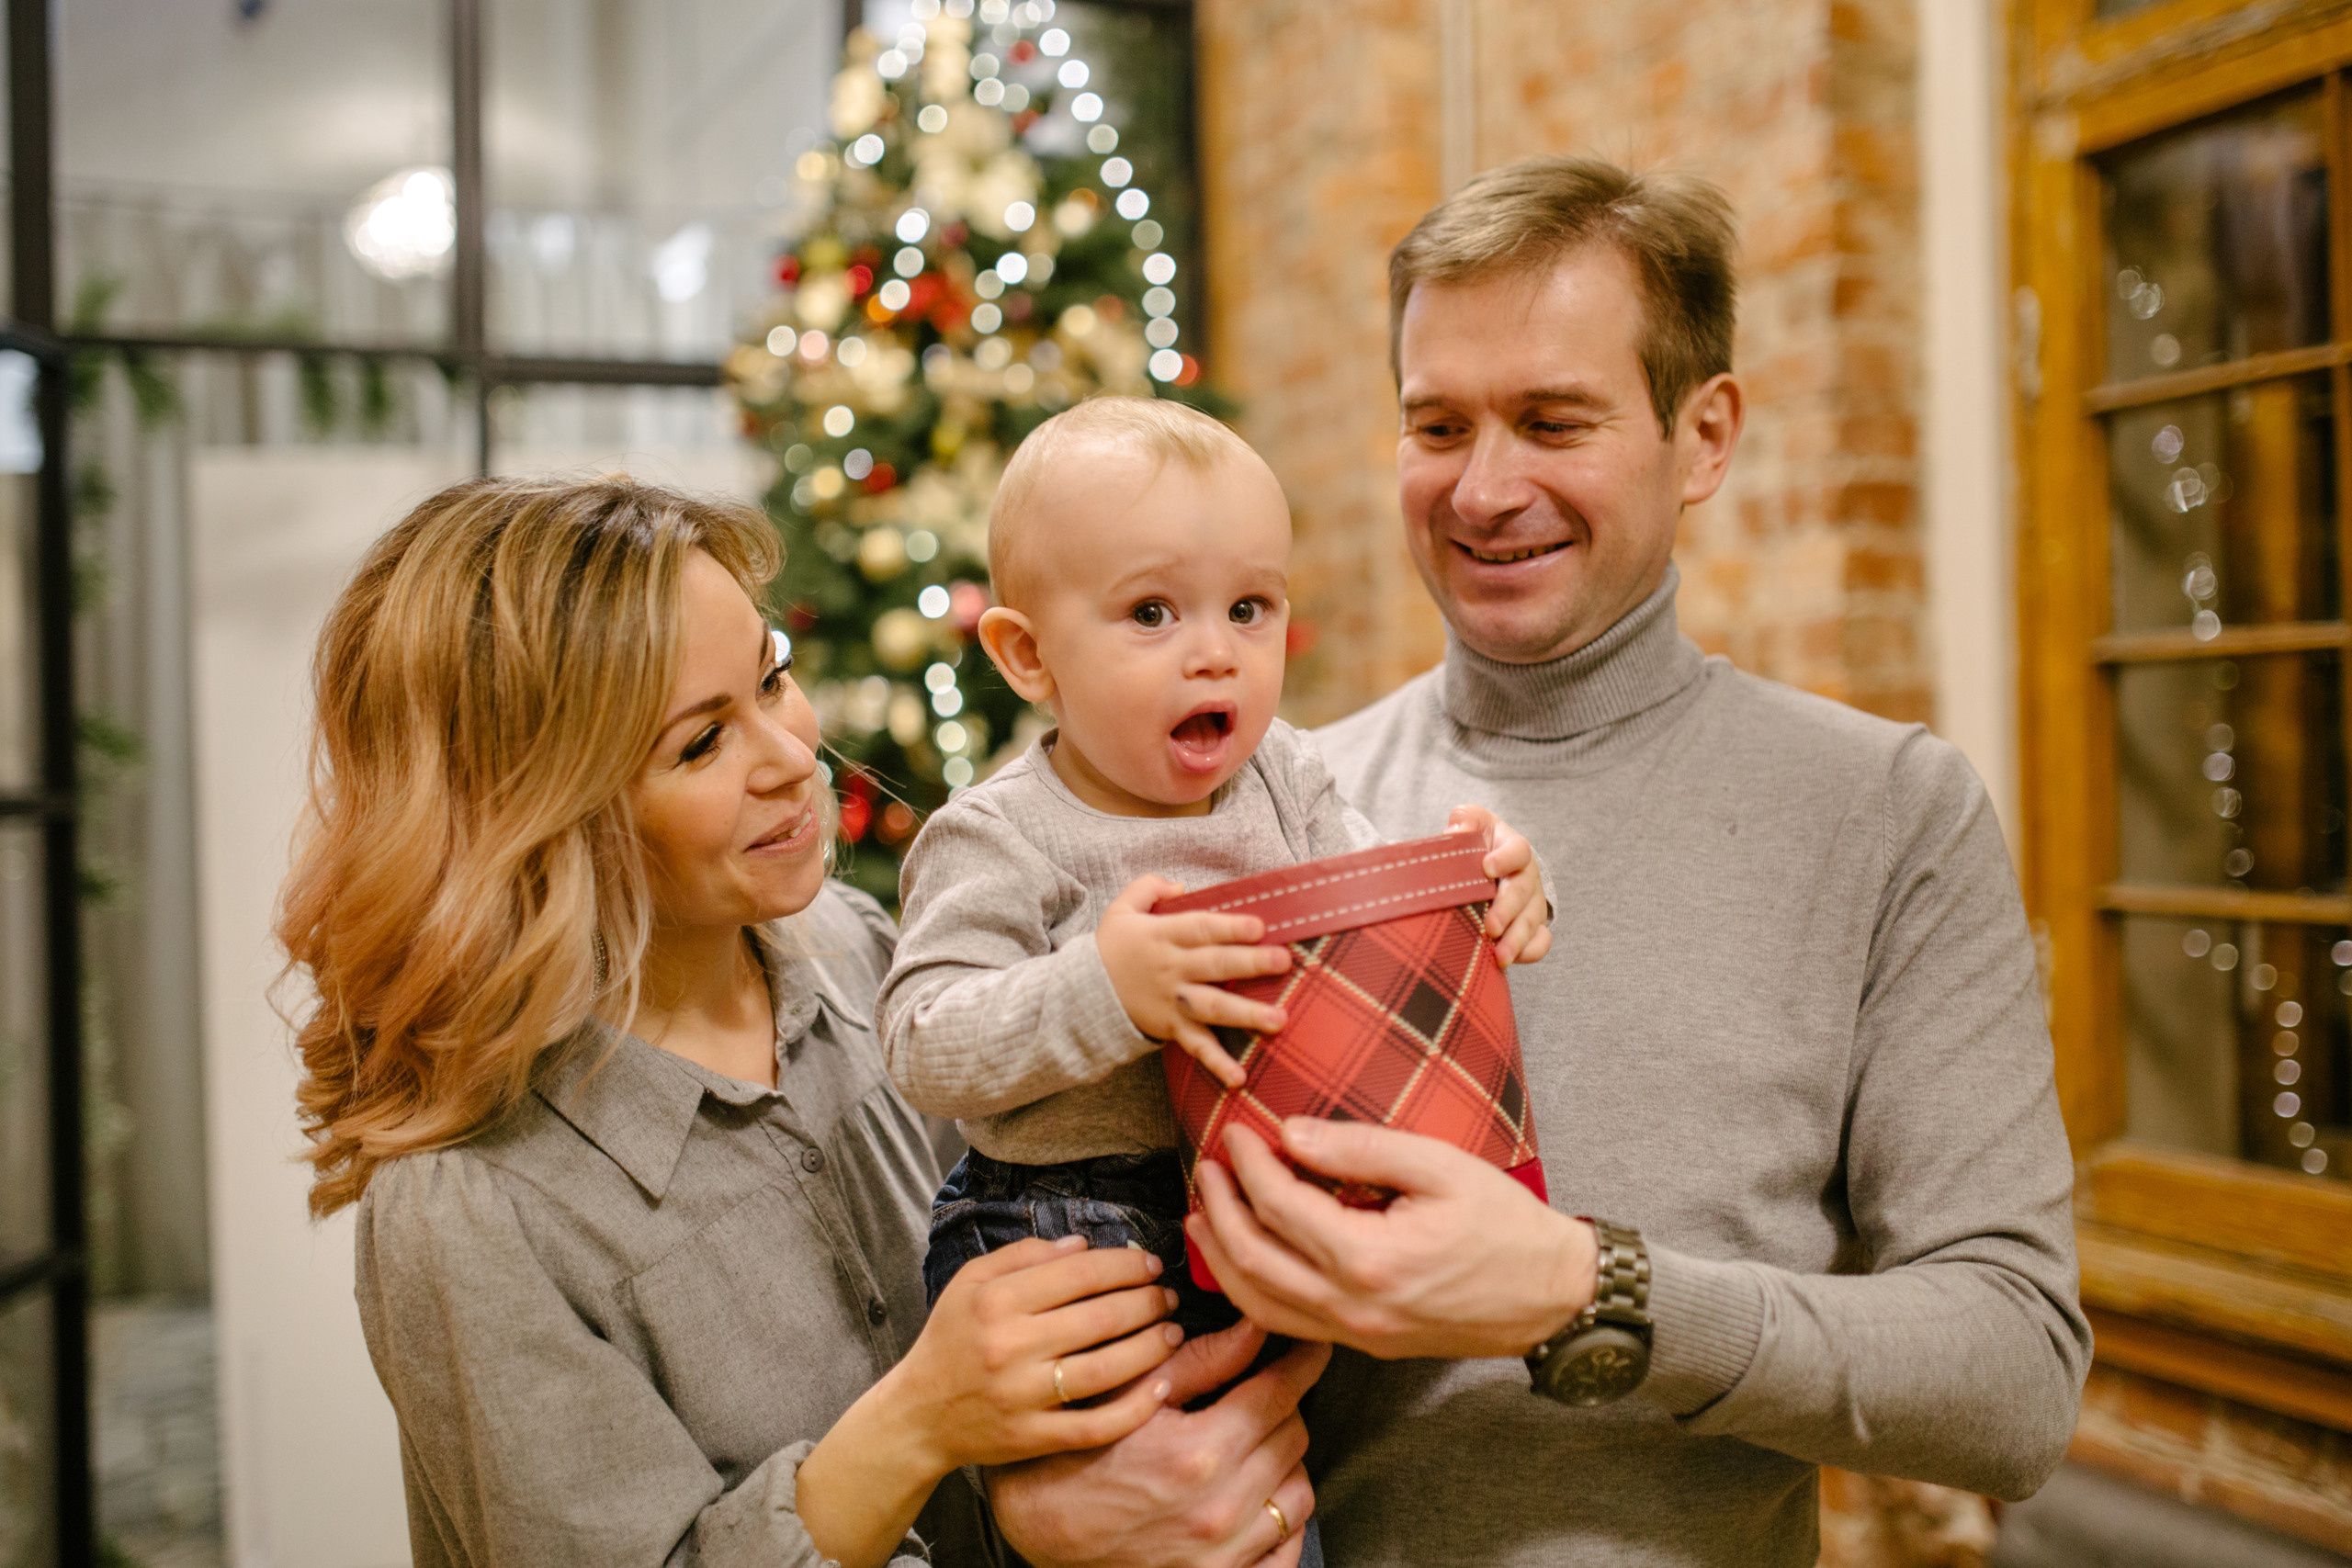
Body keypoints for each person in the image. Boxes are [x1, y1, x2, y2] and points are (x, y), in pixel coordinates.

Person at [1183, 156, 2091, 1566]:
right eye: (1438, 424)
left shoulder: (1886, 814)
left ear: (1706, 434)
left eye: (1554, 419)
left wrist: (1582, 1290)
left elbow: (2014, 1375)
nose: (1484, 489)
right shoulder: (1267, 817)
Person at [279, 476, 1325, 1568]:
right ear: (531, 817)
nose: (791, 758)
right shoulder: (468, 1212)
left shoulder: (857, 947)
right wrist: (919, 1421)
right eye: (698, 746)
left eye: (771, 680)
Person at [880, 397, 1550, 1341]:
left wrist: (1483, 889)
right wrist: (1106, 990)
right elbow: (919, 1043)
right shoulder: (1000, 834)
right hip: (1067, 1222)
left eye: (1248, 609)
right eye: (1151, 613)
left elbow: (1371, 918)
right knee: (1143, 1469)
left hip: (1261, 1180)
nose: (1214, 656)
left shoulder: (1286, 776)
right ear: (1028, 656)